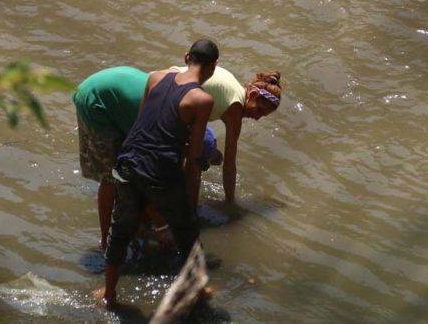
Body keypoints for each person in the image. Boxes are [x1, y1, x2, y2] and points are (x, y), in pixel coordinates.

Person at [102, 40, 217, 308]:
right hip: (160, 171)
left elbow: (141, 122)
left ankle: (108, 294)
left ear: (186, 57)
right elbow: (194, 154)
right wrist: (188, 196)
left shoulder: (155, 77)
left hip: (129, 163)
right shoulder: (202, 99)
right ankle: (198, 291)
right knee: (188, 233)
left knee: (120, 232)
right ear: (213, 67)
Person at [73, 64, 221, 250]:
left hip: (115, 91)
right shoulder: (166, 131)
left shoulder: (180, 112)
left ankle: (137, 227)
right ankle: (106, 242)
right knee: (111, 177)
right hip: (97, 100)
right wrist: (164, 225)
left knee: (135, 172)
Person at [169, 65, 283, 206]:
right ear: (252, 95)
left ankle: (178, 183)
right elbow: (230, 164)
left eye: (263, 115)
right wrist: (230, 203)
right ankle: (188, 206)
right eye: (259, 110)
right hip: (170, 105)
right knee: (205, 149)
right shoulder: (235, 106)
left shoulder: (233, 85)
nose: (257, 117)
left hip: (167, 86)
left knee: (214, 154)